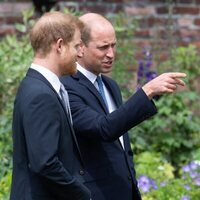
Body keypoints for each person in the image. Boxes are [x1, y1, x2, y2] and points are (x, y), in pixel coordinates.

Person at [60, 13, 186, 200]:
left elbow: (121, 144)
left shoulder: (110, 86)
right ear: (80, 48)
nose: (111, 54)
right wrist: (147, 91)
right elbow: (104, 128)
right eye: (103, 47)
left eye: (113, 45)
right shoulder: (67, 87)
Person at [10, 11, 91, 200]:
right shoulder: (40, 94)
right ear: (60, 45)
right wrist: (82, 194)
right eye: (77, 46)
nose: (80, 54)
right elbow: (44, 163)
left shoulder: (39, 86)